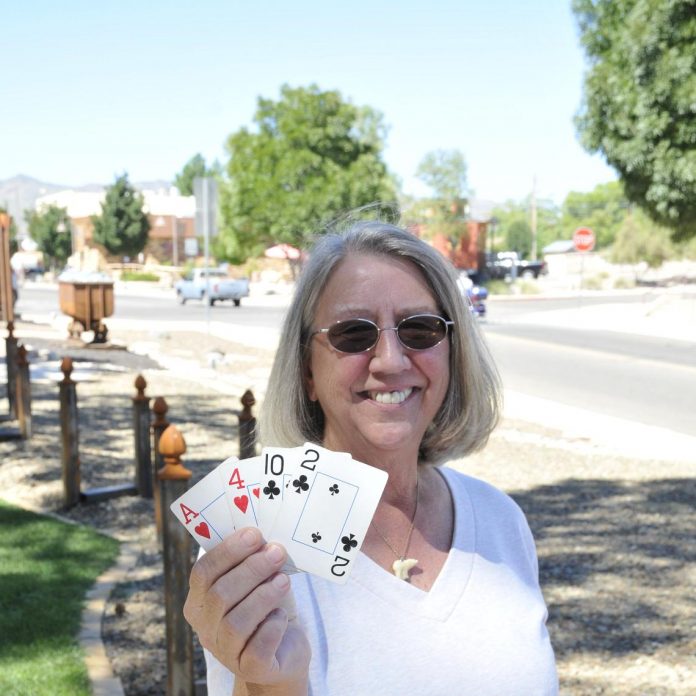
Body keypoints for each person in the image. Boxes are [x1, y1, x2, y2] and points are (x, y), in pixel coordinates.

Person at [184, 220, 558, 695]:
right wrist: (269, 683)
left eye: (420, 329)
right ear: (307, 373)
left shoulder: (502, 520)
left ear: (453, 350)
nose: (390, 360)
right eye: (353, 334)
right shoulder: (257, 547)